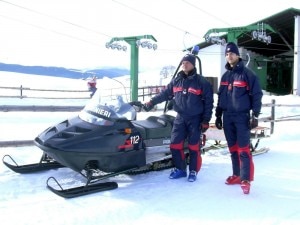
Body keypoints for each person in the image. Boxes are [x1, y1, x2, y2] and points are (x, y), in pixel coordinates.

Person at [144, 54, 214, 182]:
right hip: (180, 118)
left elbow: (209, 103)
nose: (184, 64)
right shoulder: (177, 80)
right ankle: (181, 169)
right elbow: (165, 94)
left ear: (193, 64)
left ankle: (193, 171)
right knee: (175, 145)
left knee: (193, 146)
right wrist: (152, 102)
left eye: (187, 62)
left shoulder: (201, 82)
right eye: (183, 62)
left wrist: (206, 120)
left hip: (195, 118)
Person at [215, 42, 263, 194]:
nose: (229, 56)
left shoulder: (247, 74)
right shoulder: (225, 76)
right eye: (227, 54)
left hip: (242, 116)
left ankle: (246, 179)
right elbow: (221, 97)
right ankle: (237, 175)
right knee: (233, 149)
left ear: (237, 55)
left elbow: (257, 94)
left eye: (232, 53)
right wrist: (218, 114)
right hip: (227, 116)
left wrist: (255, 114)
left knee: (243, 149)